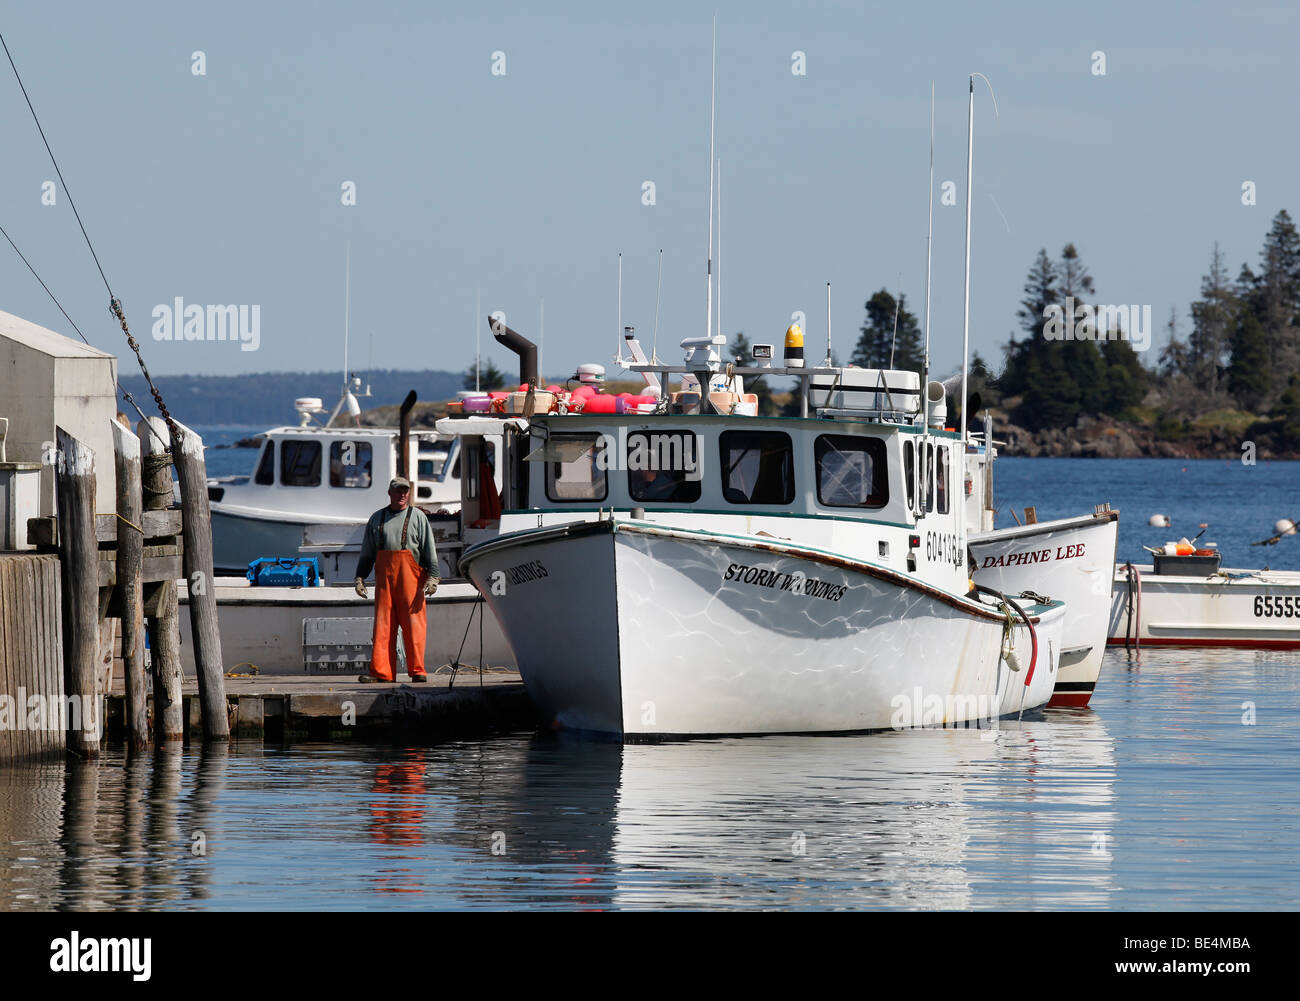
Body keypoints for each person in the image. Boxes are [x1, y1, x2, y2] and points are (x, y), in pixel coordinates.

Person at [354, 476, 439, 683]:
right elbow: (367, 552)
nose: (401, 495)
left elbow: (429, 549)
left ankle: (418, 671)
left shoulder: (418, 517)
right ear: (390, 493)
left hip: (412, 580)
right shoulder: (376, 519)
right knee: (383, 627)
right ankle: (382, 673)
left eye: (405, 491)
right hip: (385, 581)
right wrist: (360, 577)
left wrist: (434, 577)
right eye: (397, 491)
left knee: (414, 626)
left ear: (408, 494)